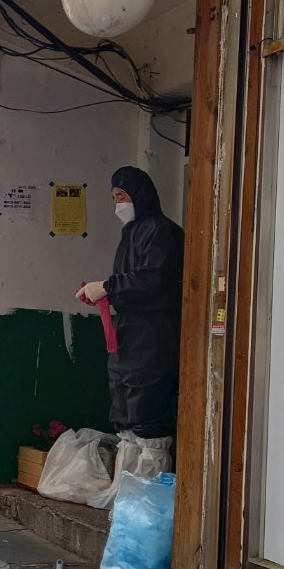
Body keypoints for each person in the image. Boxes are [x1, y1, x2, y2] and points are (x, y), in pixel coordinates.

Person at [76, 166, 184, 439]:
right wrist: (103, 292)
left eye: (122, 196)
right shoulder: (131, 233)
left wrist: (107, 287)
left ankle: (147, 477)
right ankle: (129, 477)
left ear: (139, 194)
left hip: (153, 333)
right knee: (123, 403)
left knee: (146, 405)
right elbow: (130, 280)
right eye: (114, 198)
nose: (118, 204)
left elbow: (152, 278)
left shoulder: (161, 231)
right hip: (128, 331)